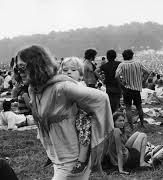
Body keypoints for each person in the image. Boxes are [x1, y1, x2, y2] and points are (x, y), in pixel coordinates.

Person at [16, 45, 114, 179]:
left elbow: (102, 99)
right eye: (17, 68)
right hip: (56, 157)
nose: (19, 71)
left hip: (72, 161)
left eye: (22, 67)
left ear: (36, 65)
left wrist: (96, 136)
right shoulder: (34, 90)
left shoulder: (62, 88)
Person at [60, 57, 92, 173]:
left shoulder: (80, 85)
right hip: (67, 116)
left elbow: (85, 102)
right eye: (65, 70)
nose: (68, 72)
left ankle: (82, 160)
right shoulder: (62, 86)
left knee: (83, 131)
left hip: (82, 115)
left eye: (73, 70)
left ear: (81, 75)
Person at [115, 49, 150, 129]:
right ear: (132, 55)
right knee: (139, 107)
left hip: (127, 89)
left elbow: (116, 75)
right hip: (137, 89)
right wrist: (143, 81)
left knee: (128, 108)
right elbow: (147, 72)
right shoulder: (138, 63)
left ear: (123, 56)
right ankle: (142, 124)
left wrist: (121, 84)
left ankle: (131, 126)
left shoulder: (122, 65)